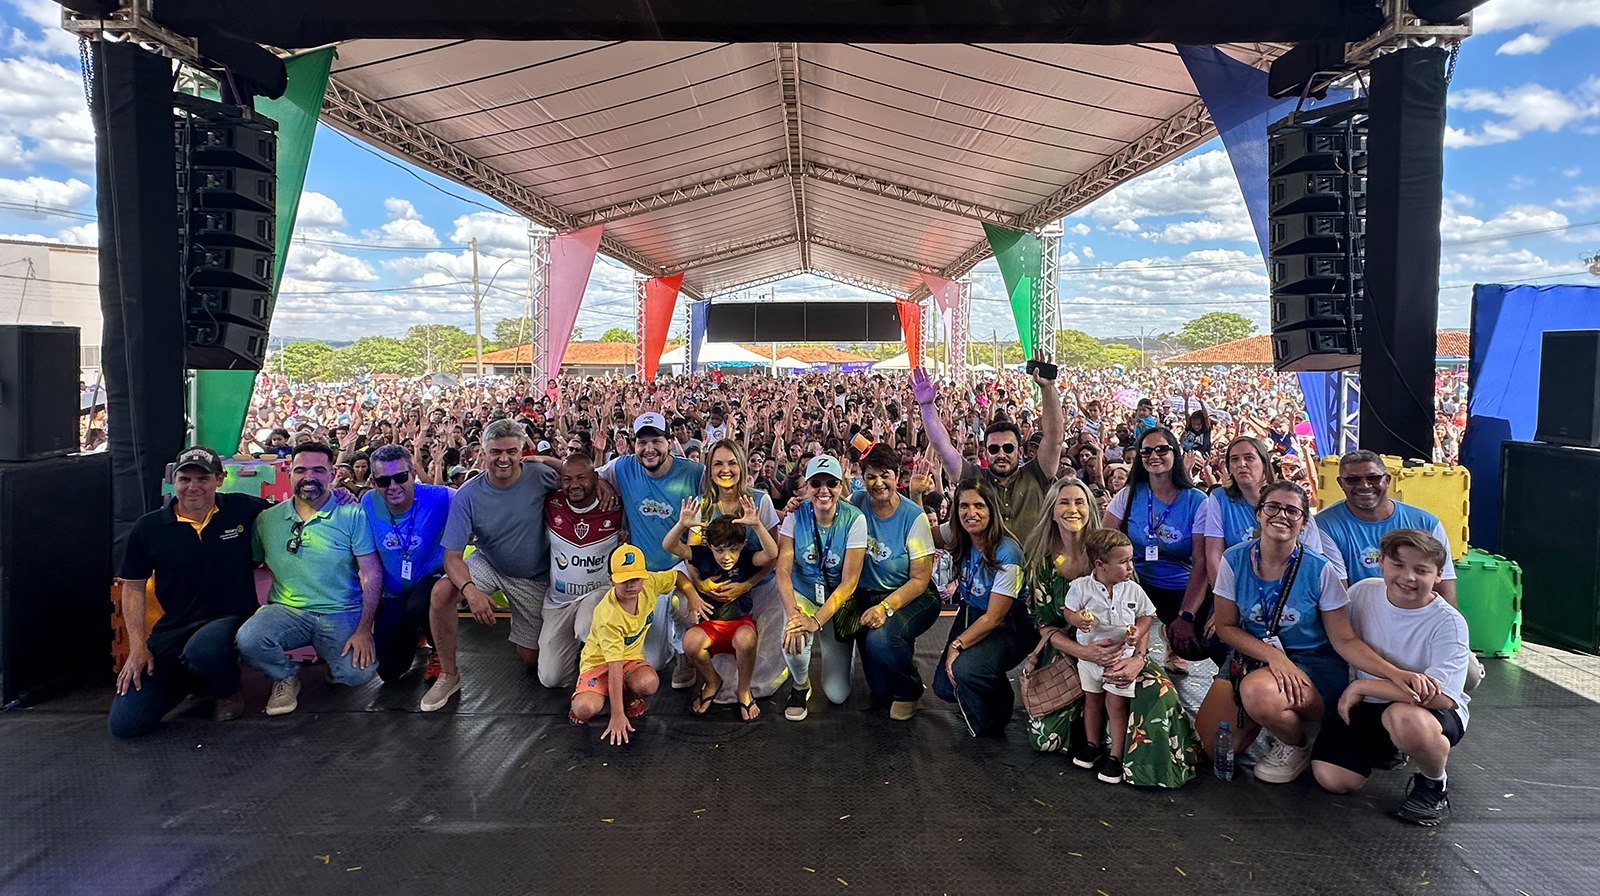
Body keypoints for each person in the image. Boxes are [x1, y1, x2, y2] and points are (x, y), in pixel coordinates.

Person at [1193, 482, 1434, 784]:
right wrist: (1272, 657)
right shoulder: (1234, 559)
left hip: (1312, 662)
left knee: (1258, 693)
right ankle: (1278, 718)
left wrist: (1393, 673)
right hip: (1253, 658)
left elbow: (1344, 639)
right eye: (1273, 507)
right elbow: (1226, 627)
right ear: (1259, 513)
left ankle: (1296, 742)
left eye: (1292, 510)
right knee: (1214, 748)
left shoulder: (1320, 569)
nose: (1282, 515)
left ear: (1304, 522)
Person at [1024, 478, 1201, 787]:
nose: (1072, 509)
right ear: (1051, 512)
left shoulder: (1115, 552)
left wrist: (1138, 658)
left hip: (1123, 652)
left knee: (1157, 693)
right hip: (1069, 653)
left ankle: (1133, 763)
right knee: (1046, 738)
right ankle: (1095, 742)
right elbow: (1045, 625)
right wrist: (1084, 652)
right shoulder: (1043, 564)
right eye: (1064, 502)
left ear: (1090, 508)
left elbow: (1142, 614)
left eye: (1079, 502)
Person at [1312, 529, 1471, 826]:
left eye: (1422, 570)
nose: (1408, 577)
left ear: (1438, 575)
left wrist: (1364, 685)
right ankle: (1388, 749)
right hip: (1367, 705)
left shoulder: (1448, 622)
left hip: (1424, 709)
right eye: (1398, 565)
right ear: (1381, 562)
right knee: (1333, 779)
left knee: (1404, 720)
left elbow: (1442, 696)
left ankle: (1433, 781)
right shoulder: (1361, 593)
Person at [109, 447, 268, 738]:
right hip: (174, 628)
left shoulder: (242, 508)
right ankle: (192, 679)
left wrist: (341, 496)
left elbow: (292, 510)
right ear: (174, 481)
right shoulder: (148, 527)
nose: (193, 486)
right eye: (185, 478)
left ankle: (227, 691)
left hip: (230, 618)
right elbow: (132, 587)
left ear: (220, 479)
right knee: (125, 725)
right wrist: (137, 648)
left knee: (203, 649)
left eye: (202, 478)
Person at [237, 442, 384, 716]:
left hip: (340, 612)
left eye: (318, 470)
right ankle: (285, 676)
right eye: (300, 470)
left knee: (357, 673)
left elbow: (372, 573)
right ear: (290, 473)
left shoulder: (353, 514)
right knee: (249, 640)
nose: (309, 477)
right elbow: (254, 562)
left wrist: (364, 630)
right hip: (286, 610)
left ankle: (333, 659)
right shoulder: (267, 520)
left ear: (332, 473)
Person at [1316, 449, 1480, 690]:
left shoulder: (1427, 522)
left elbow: (1446, 591)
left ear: (1387, 480)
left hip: (1419, 623)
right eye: (1353, 479)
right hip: (1365, 628)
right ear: (1341, 483)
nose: (1364, 485)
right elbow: (1341, 602)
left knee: (1468, 674)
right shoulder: (1325, 526)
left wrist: (1444, 635)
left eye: (1372, 478)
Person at [426, 420, 560, 712]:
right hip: (489, 562)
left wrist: (545, 459)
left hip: (534, 576)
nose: (503, 458)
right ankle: (448, 673)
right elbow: (452, 557)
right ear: (483, 453)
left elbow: (578, 476)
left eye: (512, 451)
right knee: (442, 592)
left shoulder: (540, 475)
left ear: (522, 451)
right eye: (496, 451)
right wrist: (470, 591)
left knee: (531, 658)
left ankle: (528, 630)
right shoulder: (468, 494)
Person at [1182, 436, 1323, 664]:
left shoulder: (1288, 497)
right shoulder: (1220, 498)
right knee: (1215, 637)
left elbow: (1313, 559)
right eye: (1234, 460)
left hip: (1286, 591)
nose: (1241, 464)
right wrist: (1226, 605)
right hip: (1236, 590)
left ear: (1264, 462)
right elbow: (1213, 556)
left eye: (1249, 458)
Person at [597, 412, 706, 679]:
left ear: (669, 442)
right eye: (642, 443)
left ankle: (684, 654)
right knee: (654, 662)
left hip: (682, 564)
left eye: (656, 441)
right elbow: (591, 476)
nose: (649, 449)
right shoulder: (622, 467)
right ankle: (665, 649)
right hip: (644, 570)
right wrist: (603, 484)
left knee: (684, 610)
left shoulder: (694, 473)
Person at [684, 438, 787, 703]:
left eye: (731, 463)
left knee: (757, 651)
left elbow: (773, 555)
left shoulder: (760, 501)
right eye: (718, 463)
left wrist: (747, 584)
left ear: (741, 466)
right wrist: (701, 585)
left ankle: (751, 689)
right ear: (709, 468)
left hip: (760, 586)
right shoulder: (702, 505)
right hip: (717, 591)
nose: (725, 469)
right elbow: (690, 555)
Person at [914, 362, 1064, 542]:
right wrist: (927, 407)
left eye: (1008, 448)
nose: (1001, 454)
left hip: (1032, 569)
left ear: (1021, 451)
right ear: (985, 453)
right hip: (987, 569)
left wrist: (1048, 389)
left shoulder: (1037, 474)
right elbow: (944, 449)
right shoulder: (975, 478)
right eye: (994, 449)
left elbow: (1054, 440)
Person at [931, 478, 1033, 736]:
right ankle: (990, 681)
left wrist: (956, 646)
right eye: (964, 506)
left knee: (964, 669)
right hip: (972, 612)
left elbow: (994, 617)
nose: (971, 513)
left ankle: (994, 717)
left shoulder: (1008, 552)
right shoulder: (959, 534)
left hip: (1010, 623)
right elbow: (921, 533)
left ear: (992, 510)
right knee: (944, 686)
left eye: (979, 506)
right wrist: (917, 494)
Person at [1102, 427, 1208, 674]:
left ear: (1175, 454)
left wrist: (1186, 617)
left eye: (1161, 449)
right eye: (1146, 451)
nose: (1153, 455)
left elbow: (1202, 562)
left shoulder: (1197, 500)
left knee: (1197, 646)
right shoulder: (1128, 495)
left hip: (1177, 584)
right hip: (1134, 581)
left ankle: (1169, 631)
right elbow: (1103, 541)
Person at [662, 498, 777, 721]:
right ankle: (712, 680)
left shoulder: (746, 557)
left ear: (743, 545)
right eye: (720, 550)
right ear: (709, 546)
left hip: (739, 623)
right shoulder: (703, 555)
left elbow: (772, 554)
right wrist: (682, 525)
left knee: (746, 639)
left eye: (733, 550)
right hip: (710, 626)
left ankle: (744, 689)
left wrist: (757, 525)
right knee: (690, 642)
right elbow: (669, 546)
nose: (727, 557)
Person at [775, 455, 868, 721]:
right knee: (793, 637)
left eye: (831, 483)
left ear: (841, 486)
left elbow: (850, 580)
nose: (824, 490)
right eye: (816, 483)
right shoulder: (795, 515)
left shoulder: (854, 520)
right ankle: (799, 684)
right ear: (806, 486)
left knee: (837, 693)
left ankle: (842, 654)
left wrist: (817, 620)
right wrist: (794, 615)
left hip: (836, 601)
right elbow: (782, 568)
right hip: (803, 593)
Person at [1060, 529, 1156, 785]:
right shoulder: (1081, 587)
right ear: (1100, 565)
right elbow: (1068, 611)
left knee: (1115, 706)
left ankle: (1115, 756)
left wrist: (1139, 632)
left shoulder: (1133, 590)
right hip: (1090, 660)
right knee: (1091, 702)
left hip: (1120, 658)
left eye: (1131, 560)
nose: (1130, 567)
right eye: (1124, 562)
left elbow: (1147, 615)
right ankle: (1092, 744)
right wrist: (1076, 619)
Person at [853, 443, 939, 721]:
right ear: (862, 477)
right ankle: (897, 653)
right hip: (868, 596)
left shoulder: (913, 516)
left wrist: (886, 608)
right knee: (878, 688)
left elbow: (920, 578)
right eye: (871, 476)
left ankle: (910, 690)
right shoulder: (855, 504)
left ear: (897, 475)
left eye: (885, 475)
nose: (878, 483)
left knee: (880, 641)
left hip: (913, 595)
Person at [570, 544, 686, 746]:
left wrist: (692, 596)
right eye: (624, 580)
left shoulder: (650, 584)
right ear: (611, 580)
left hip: (629, 660)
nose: (631, 585)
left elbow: (677, 576)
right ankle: (589, 697)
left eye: (636, 578)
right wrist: (617, 716)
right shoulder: (608, 615)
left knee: (649, 682)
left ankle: (626, 697)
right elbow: (613, 667)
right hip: (600, 664)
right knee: (585, 709)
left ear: (644, 576)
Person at [361, 444, 456, 684]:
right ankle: (417, 633)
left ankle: (438, 648)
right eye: (383, 481)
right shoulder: (368, 502)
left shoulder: (441, 497)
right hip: (394, 593)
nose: (392, 487)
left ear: (413, 474)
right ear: (373, 482)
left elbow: (476, 500)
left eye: (400, 477)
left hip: (430, 583)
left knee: (420, 606)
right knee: (389, 672)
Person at [540, 454, 625, 687]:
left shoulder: (615, 505)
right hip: (560, 601)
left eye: (581, 478)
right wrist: (540, 456)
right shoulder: (550, 503)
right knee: (550, 679)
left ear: (596, 478)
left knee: (585, 625)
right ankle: (580, 665)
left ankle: (604, 684)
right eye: (567, 479)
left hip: (600, 592)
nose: (574, 485)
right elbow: (527, 466)